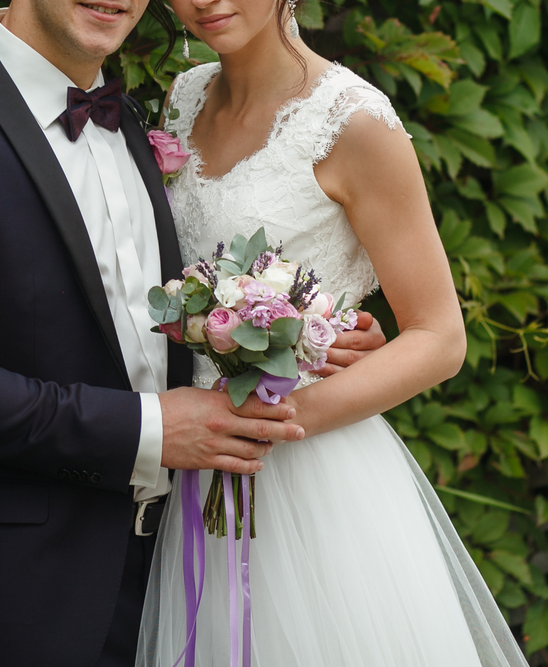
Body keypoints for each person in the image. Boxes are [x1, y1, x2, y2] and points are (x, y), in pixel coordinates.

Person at [0, 1, 382, 665]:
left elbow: (159, 306)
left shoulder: (134, 120)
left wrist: (309, 331)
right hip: (12, 592)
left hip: (176, 572)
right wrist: (147, 430)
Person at [136, 1, 528, 666]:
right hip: (194, 464)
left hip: (310, 478)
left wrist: (267, 420)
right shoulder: (182, 95)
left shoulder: (355, 123)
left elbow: (440, 337)